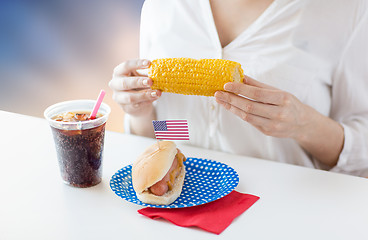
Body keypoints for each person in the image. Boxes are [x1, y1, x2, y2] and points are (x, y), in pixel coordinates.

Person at [109, 0, 368, 177]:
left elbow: (362, 147)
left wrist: (306, 125)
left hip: (285, 211)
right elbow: (174, 129)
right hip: (178, 202)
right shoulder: (163, 6)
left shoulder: (346, 10)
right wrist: (140, 115)